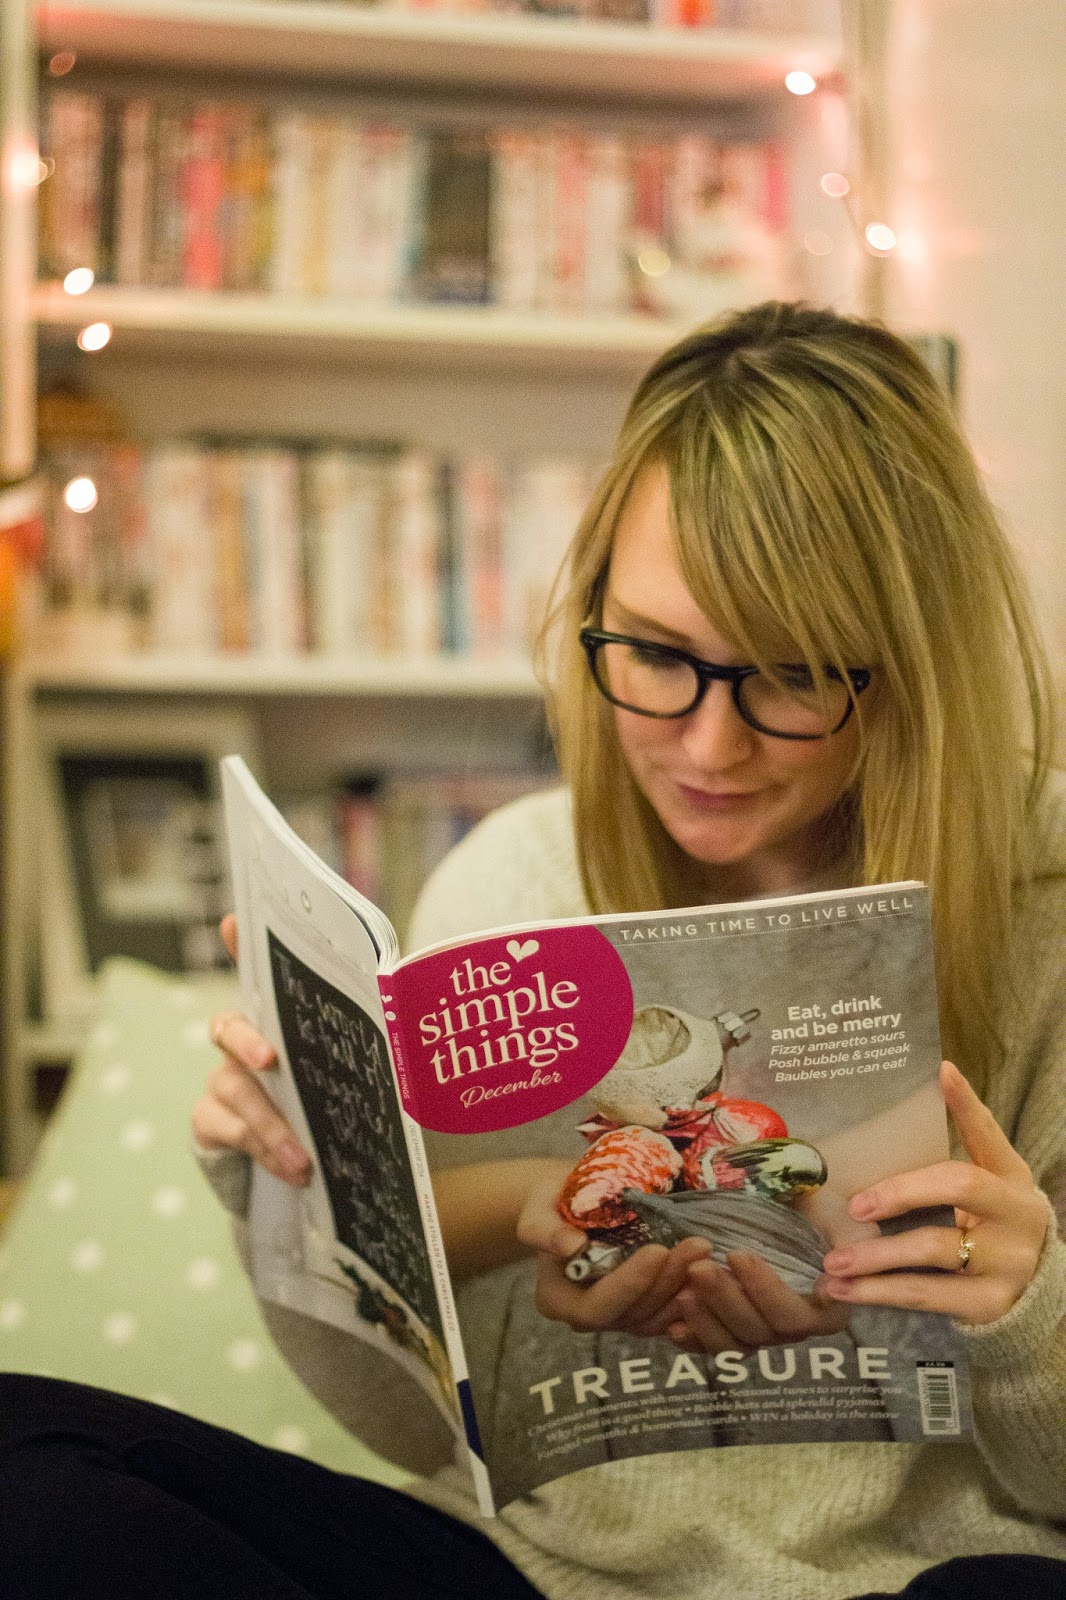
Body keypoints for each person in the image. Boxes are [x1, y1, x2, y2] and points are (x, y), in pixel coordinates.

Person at [2, 301, 1063, 1600]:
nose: (709, 746)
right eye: (656, 655)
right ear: (594, 613)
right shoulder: (509, 881)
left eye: (790, 676)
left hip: (906, 1584)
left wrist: (1027, 1312)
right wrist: (290, 1184)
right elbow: (413, 1434)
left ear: (909, 664)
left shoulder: (1046, 911)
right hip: (525, 1573)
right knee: (29, 1463)